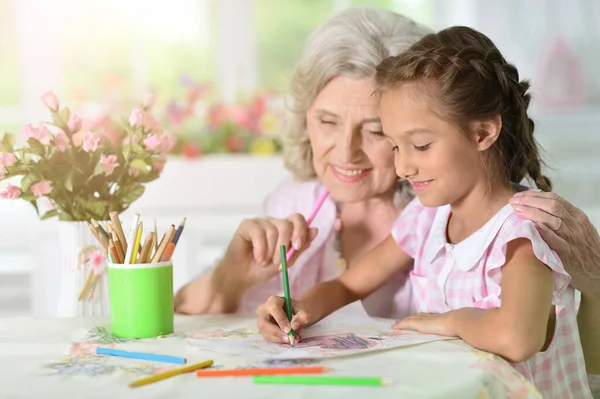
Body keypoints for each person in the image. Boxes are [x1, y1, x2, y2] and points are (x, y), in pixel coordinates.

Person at [174, 7, 600, 394]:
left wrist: (446, 323)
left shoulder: (522, 232)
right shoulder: (426, 219)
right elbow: (348, 284)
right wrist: (299, 308)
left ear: (483, 133)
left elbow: (518, 337)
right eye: (395, 146)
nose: (402, 167)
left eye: (417, 144)